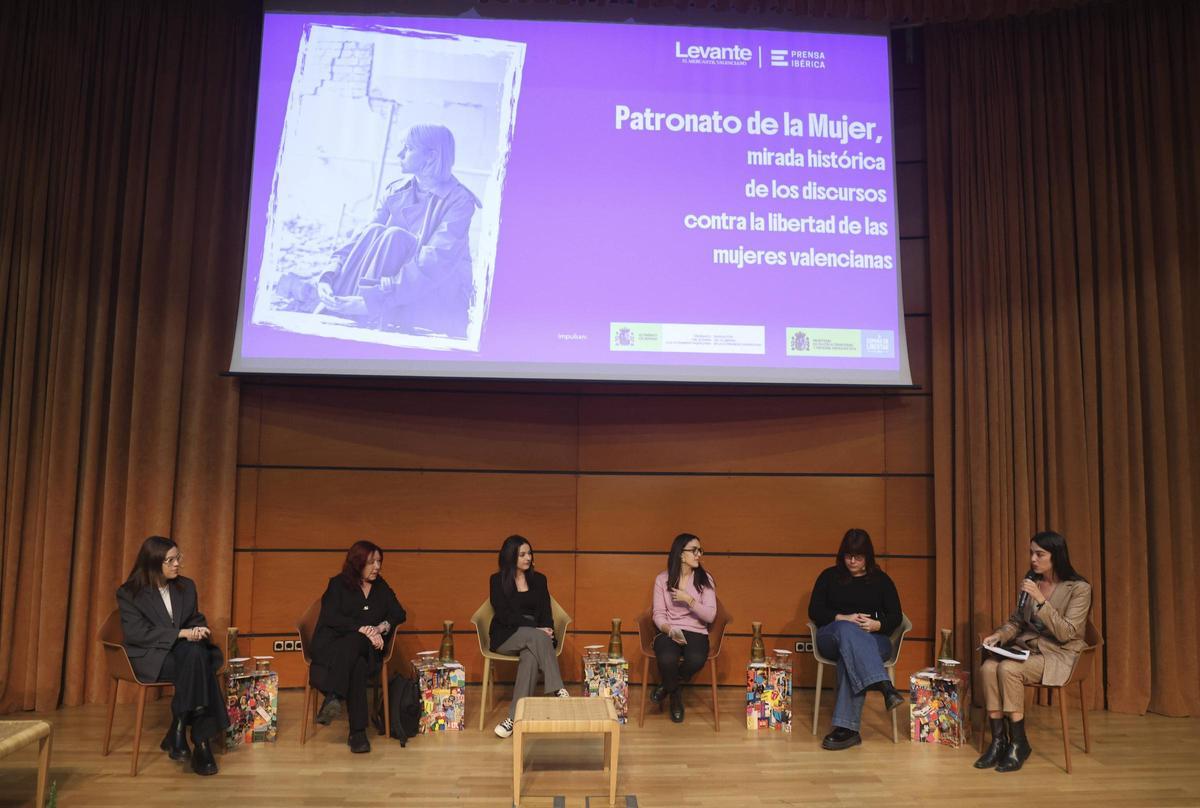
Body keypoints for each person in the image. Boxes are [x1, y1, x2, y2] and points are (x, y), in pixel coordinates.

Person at [317, 124, 480, 338]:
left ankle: (354, 314)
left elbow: (434, 262)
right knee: (375, 229)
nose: (399, 154)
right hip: (389, 285)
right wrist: (329, 275)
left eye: (408, 148)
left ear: (431, 156)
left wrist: (374, 299)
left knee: (395, 236)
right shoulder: (395, 190)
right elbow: (361, 237)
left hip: (433, 291)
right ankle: (336, 304)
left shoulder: (460, 201)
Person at [975, 530, 1092, 772]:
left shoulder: (1079, 588)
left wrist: (1040, 600)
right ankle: (999, 742)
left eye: (1040, 554)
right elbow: (1017, 622)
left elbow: (1067, 633)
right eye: (1031, 553)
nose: (1033, 559)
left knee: (1007, 669)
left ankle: (1019, 743)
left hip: (1060, 655)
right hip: (1028, 651)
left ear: (1056, 556)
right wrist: (999, 635)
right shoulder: (1033, 581)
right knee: (988, 667)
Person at [115, 536, 228, 776]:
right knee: (199, 662)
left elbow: (193, 618)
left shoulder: (186, 586)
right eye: (171, 560)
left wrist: (197, 630)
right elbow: (138, 634)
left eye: (178, 558)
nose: (177, 564)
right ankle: (201, 742)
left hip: (184, 654)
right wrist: (181, 633)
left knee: (196, 652)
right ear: (153, 563)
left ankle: (180, 728)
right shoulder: (129, 593)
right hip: (152, 656)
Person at [807, 528, 906, 750]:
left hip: (873, 641)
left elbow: (896, 617)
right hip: (831, 637)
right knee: (846, 630)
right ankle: (884, 685)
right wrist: (843, 618)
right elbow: (814, 611)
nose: (852, 561)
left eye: (858, 557)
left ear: (867, 558)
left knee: (849, 657)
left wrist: (877, 624)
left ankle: (847, 730)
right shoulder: (828, 577)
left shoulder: (882, 581)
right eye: (848, 556)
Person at [309, 540, 406, 754]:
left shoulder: (381, 587)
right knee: (357, 661)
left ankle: (334, 696)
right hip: (333, 648)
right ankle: (357, 734)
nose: (377, 567)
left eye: (379, 561)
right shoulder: (338, 584)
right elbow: (331, 616)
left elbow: (399, 613)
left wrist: (380, 628)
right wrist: (362, 629)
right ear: (357, 562)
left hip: (365, 650)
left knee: (358, 652)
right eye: (371, 562)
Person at [489, 534, 569, 739]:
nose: (527, 558)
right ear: (510, 557)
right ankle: (558, 689)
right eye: (522, 554)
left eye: (529, 553)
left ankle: (513, 719)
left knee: (530, 656)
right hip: (506, 634)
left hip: (534, 637)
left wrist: (547, 630)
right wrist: (537, 630)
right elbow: (504, 615)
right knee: (537, 639)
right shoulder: (497, 580)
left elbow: (546, 613)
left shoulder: (539, 580)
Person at [649, 533, 717, 723]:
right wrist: (668, 629)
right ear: (680, 554)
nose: (698, 555)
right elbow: (658, 613)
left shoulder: (705, 579)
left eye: (700, 550)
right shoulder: (662, 580)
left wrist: (690, 600)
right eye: (694, 550)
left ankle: (668, 686)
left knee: (695, 660)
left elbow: (710, 615)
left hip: (696, 631)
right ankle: (676, 695)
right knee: (666, 658)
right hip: (670, 629)